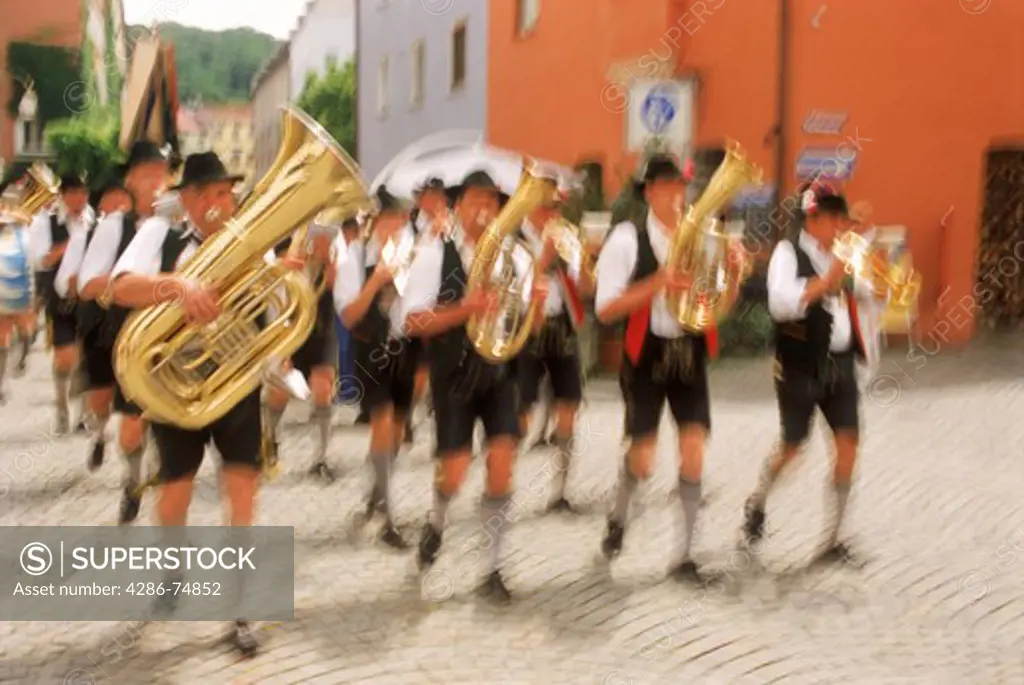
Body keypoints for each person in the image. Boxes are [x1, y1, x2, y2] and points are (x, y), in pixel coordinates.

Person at [109, 150, 260, 656]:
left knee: (242, 494)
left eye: (227, 192)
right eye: (214, 193)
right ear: (190, 200)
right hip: (176, 385)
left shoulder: (249, 242)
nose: (224, 202)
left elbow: (275, 304)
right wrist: (177, 285)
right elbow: (121, 287)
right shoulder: (160, 234)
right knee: (175, 494)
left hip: (236, 381)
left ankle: (239, 607)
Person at [403, 170, 548, 601]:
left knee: (502, 462)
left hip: (498, 372)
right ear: (458, 205)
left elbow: (525, 328)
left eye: (491, 202)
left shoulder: (516, 258)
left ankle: (494, 566)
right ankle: (437, 521)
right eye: (476, 202)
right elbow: (411, 321)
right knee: (456, 469)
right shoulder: (434, 254)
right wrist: (464, 308)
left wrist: (536, 306)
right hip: (453, 376)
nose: (485, 211)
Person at [594, 155, 728, 583]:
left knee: (693, 448)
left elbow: (715, 301)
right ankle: (619, 513)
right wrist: (657, 283)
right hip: (646, 355)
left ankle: (685, 555)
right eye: (666, 187)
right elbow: (605, 309)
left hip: (688, 352)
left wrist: (736, 275)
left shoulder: (703, 236)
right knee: (644, 457)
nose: (676, 195)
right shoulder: (626, 240)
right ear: (648, 191)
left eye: (680, 187)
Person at [742, 185, 885, 563]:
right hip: (799, 365)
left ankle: (833, 539)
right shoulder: (788, 254)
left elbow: (868, 293)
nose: (840, 226)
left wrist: (878, 284)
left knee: (848, 444)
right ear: (813, 219)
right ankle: (758, 500)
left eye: (843, 218)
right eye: (834, 218)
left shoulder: (847, 253)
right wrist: (828, 280)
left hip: (840, 363)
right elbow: (781, 304)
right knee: (792, 446)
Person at [77, 141, 170, 522]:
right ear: (130, 179)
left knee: (161, 419)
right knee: (123, 423)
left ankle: (161, 478)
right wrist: (130, 285)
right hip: (120, 334)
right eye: (146, 172)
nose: (155, 180)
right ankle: (127, 473)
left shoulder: (174, 226)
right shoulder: (114, 227)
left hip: (166, 338)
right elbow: (85, 285)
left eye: (160, 172)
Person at [336, 187, 416, 549]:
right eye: (391, 219)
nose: (397, 226)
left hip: (403, 347)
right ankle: (388, 517)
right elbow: (350, 315)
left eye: (401, 219)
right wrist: (376, 282)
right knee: (382, 424)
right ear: (376, 220)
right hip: (370, 350)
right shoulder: (354, 256)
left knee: (396, 431)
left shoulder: (411, 253)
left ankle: (375, 494)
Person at [517, 193, 593, 512]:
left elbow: (586, 290)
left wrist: (586, 262)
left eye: (556, 208)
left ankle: (560, 490)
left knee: (568, 404)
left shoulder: (566, 238)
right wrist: (544, 259)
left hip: (560, 326)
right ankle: (499, 484)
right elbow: (515, 291)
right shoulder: (514, 241)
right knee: (520, 409)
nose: (552, 214)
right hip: (525, 326)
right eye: (547, 206)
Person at [263, 219, 341, 482]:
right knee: (279, 392)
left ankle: (321, 457)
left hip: (321, 333)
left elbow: (338, 288)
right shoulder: (285, 263)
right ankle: (270, 442)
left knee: (323, 389)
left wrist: (327, 259)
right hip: (289, 334)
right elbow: (276, 309)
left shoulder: (332, 257)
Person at [28, 174, 92, 432]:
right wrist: (68, 247)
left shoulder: (92, 219)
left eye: (82, 192)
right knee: (65, 357)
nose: (79, 198)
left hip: (87, 299)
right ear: (63, 196)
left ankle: (83, 415)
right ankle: (61, 404)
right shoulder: (46, 222)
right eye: (74, 193)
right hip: (59, 299)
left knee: (86, 357)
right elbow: (40, 261)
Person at [0, 205, 33, 401]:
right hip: (3, 294)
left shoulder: (23, 237)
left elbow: (31, 263)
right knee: (2, 338)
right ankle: (1, 383)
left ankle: (22, 358)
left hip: (21, 291)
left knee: (24, 329)